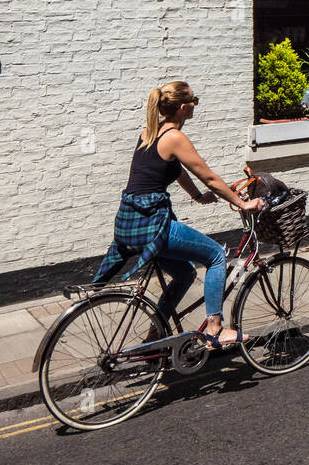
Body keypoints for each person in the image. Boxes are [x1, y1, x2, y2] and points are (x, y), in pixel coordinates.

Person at [93, 81, 263, 350]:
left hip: (130, 225)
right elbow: (208, 176)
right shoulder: (175, 138)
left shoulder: (149, 132)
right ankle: (215, 330)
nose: (195, 106)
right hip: (152, 226)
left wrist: (196, 197)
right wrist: (242, 204)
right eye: (194, 102)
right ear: (184, 108)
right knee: (217, 256)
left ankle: (155, 334)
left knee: (184, 273)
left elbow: (178, 171)